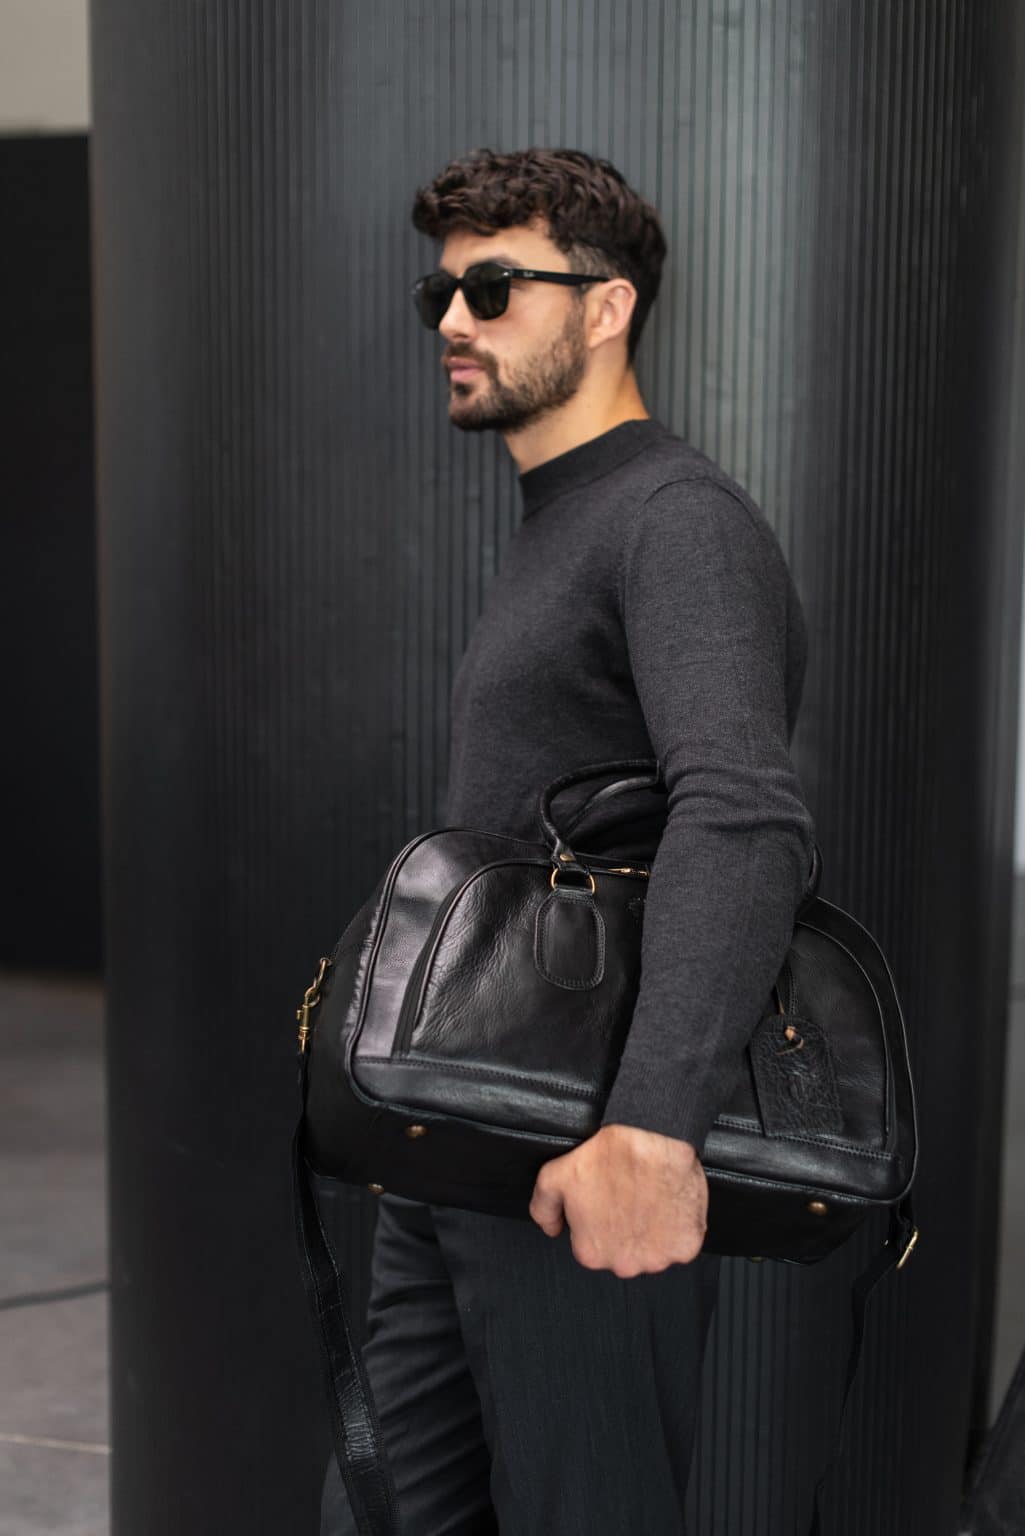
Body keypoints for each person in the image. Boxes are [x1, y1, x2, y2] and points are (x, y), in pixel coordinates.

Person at [321, 145, 815, 1536]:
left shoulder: (674, 521)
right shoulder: (569, 518)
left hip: (578, 1154)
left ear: (605, 308)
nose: (452, 319)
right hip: (462, 1141)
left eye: (492, 287)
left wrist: (651, 1129)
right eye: (439, 291)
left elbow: (745, 813)